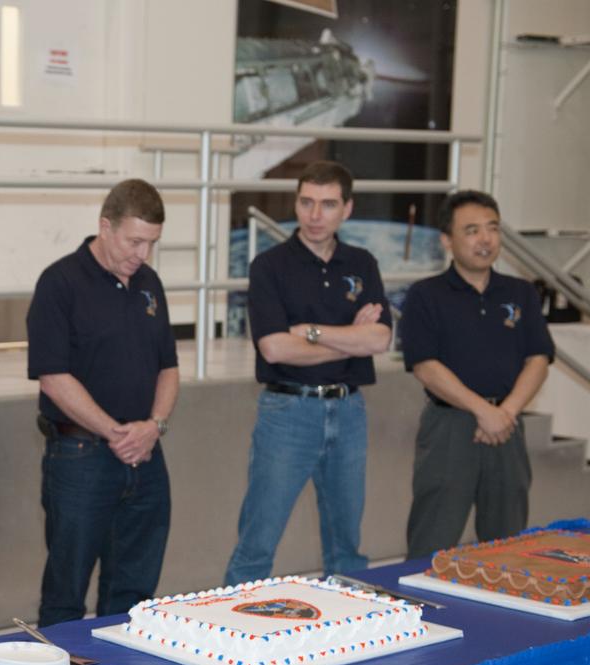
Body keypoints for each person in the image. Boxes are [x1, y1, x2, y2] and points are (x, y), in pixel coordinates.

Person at [223, 160, 391, 587]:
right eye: (306, 202)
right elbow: (275, 348)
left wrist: (313, 334)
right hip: (288, 410)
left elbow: (378, 341)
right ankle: (227, 634)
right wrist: (350, 336)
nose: (315, 215)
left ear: (347, 209)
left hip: (349, 410)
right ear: (296, 204)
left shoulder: (363, 263)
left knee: (347, 546)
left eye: (328, 204)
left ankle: (351, 633)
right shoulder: (270, 266)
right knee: (257, 542)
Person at [26, 178, 180, 628]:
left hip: (146, 454)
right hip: (81, 457)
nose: (142, 254)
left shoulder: (149, 284)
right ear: (105, 227)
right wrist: (116, 433)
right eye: (134, 241)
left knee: (134, 590)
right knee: (66, 591)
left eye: (152, 243)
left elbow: (168, 367)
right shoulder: (60, 283)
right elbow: (54, 378)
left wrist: (155, 425)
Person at [400, 190, 554, 558]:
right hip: (450, 429)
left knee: (509, 546)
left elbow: (538, 358)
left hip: (508, 428)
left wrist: (506, 413)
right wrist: (483, 411)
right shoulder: (425, 295)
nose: (484, 239)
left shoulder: (521, 293)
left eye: (492, 228)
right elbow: (425, 365)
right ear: (447, 240)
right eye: (471, 230)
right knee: (432, 542)